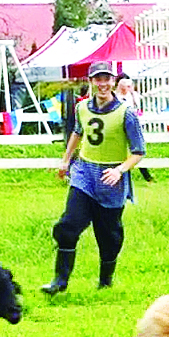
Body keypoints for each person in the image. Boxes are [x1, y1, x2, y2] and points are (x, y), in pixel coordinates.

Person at [41, 61, 146, 295]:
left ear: (114, 82)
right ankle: (59, 281)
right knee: (68, 225)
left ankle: (105, 283)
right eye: (98, 79)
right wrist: (66, 160)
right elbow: (78, 132)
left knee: (109, 236)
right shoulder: (82, 108)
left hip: (111, 179)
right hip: (84, 174)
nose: (103, 84)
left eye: (107, 79)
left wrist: (120, 170)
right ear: (91, 82)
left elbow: (139, 151)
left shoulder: (126, 114)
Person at [116, 73, 153, 182]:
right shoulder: (116, 96)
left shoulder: (133, 95)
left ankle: (146, 175)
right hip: (120, 126)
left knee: (136, 149)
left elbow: (137, 107)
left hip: (132, 125)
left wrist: (131, 93)